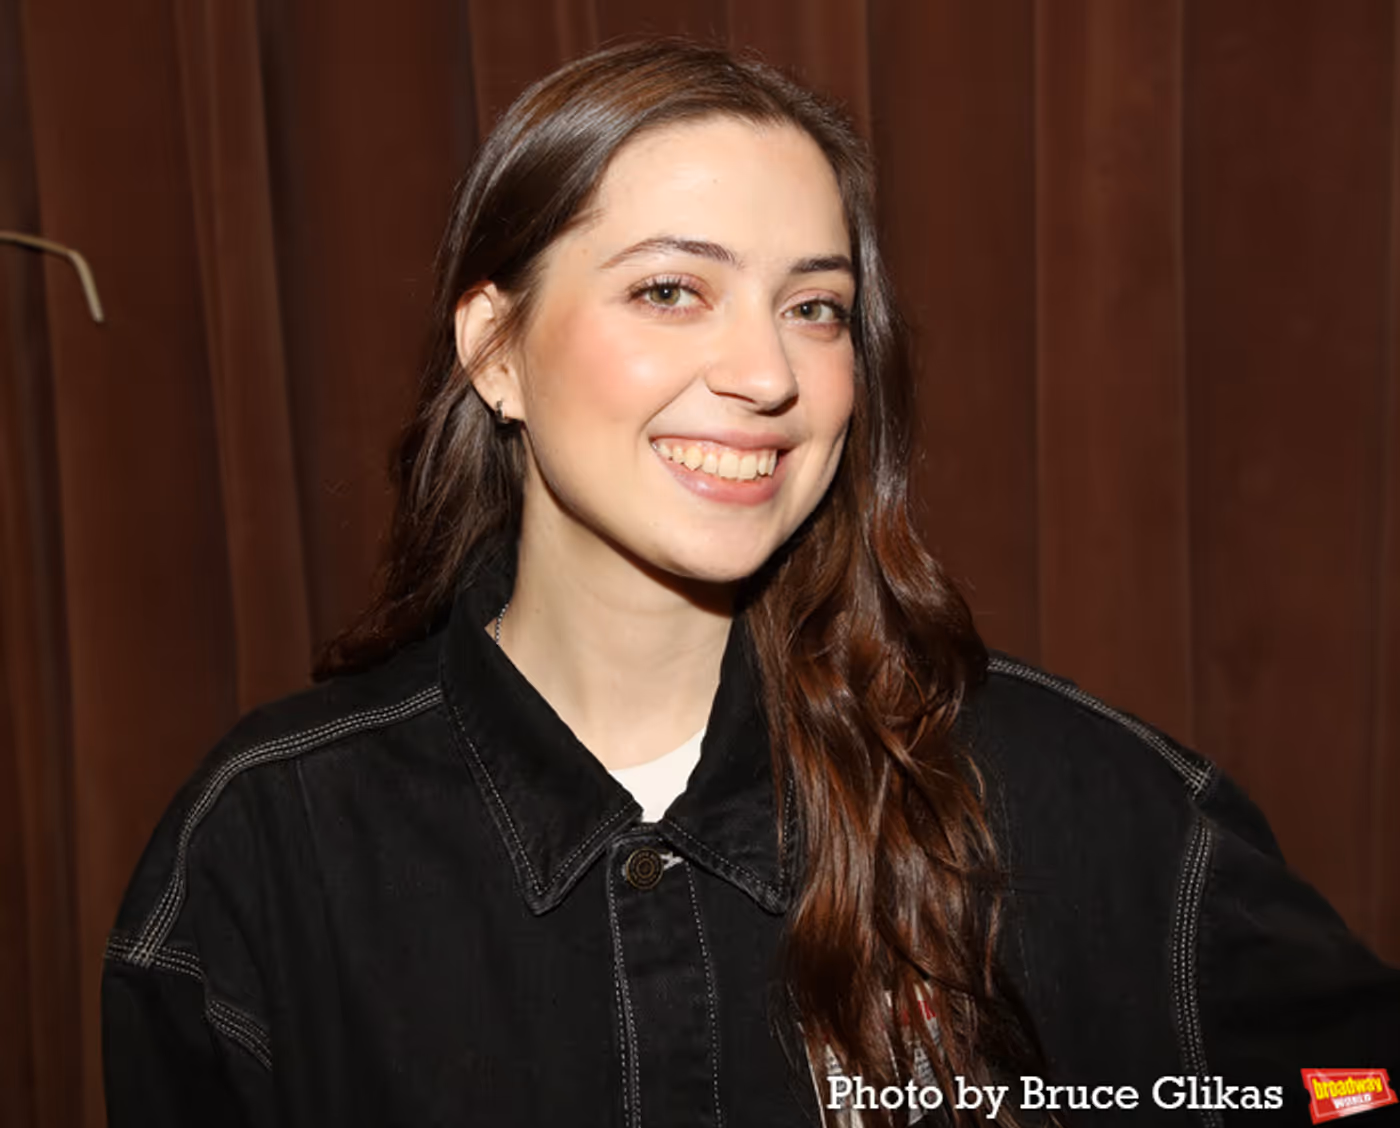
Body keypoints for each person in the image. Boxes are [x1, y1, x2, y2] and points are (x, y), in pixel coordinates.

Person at [103, 39, 1398, 1128]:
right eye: (672, 290)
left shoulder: (1066, 798)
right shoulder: (270, 847)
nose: (767, 374)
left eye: (814, 307)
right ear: (495, 348)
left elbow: (1354, 1090)